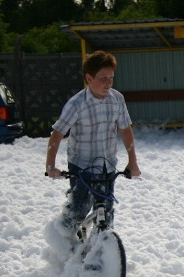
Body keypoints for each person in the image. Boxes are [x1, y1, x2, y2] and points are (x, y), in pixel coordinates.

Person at [45, 50, 141, 263]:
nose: (108, 83)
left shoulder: (117, 100)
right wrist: (50, 165)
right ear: (89, 79)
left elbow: (125, 130)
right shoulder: (76, 104)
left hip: (107, 165)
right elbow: (57, 133)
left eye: (111, 78)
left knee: (105, 213)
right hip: (81, 166)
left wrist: (132, 161)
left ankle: (102, 253)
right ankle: (63, 238)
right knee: (78, 209)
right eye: (102, 79)